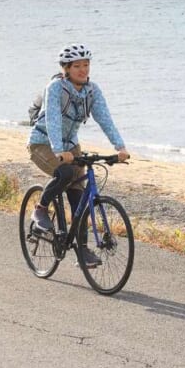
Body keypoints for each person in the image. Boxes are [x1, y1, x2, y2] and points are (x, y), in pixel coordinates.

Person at [27, 43, 130, 267]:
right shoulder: (55, 87)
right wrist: (58, 151)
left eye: (86, 65)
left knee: (79, 197)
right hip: (43, 143)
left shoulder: (92, 90)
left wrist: (120, 148)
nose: (83, 70)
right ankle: (40, 210)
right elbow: (53, 120)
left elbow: (105, 119)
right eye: (77, 66)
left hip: (71, 146)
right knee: (64, 173)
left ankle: (82, 251)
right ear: (66, 68)